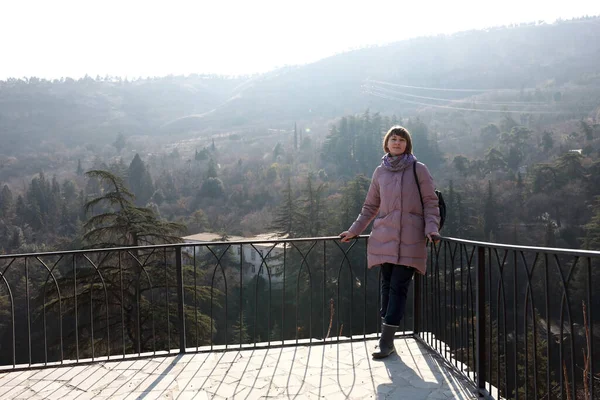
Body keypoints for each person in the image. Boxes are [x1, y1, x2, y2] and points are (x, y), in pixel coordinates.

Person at [339, 125, 440, 359]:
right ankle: (388, 333)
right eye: (393, 139)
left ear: (407, 145)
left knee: (398, 288)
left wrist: (431, 229)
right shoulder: (380, 172)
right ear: (386, 144)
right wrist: (354, 231)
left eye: (401, 140)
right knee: (386, 287)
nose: (397, 143)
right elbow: (370, 207)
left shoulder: (419, 169)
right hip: (384, 236)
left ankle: (386, 342)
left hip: (411, 237)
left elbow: (430, 202)